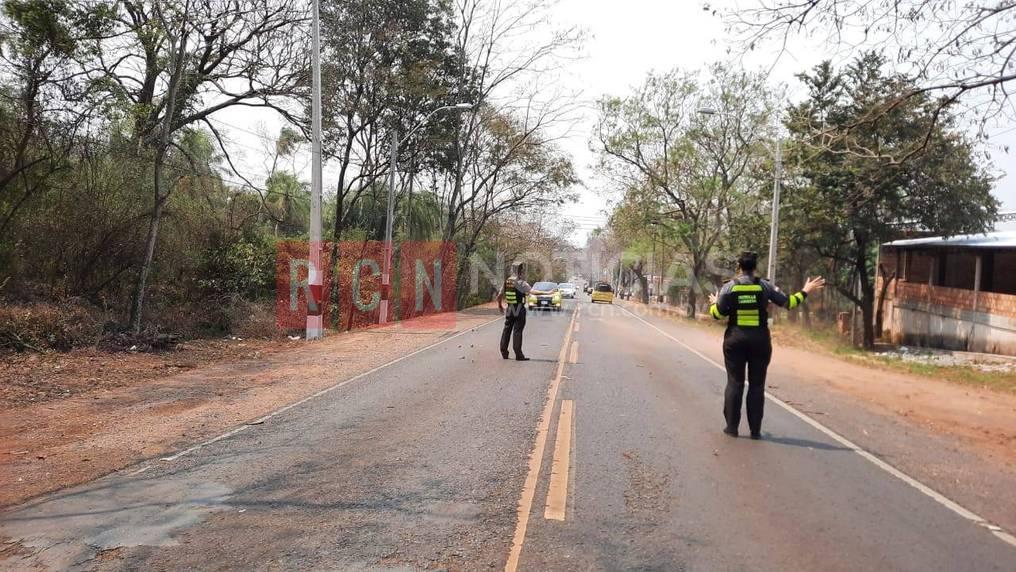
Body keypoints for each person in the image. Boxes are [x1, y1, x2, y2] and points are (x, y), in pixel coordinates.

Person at [708, 252, 825, 439]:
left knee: (735, 383)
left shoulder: (729, 288)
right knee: (756, 386)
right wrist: (806, 290)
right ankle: (755, 431)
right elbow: (789, 303)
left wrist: (714, 302)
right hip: (760, 341)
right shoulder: (765, 286)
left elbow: (717, 314)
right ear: (755, 268)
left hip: (735, 340)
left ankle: (732, 428)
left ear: (739, 268)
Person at [496, 263, 532, 361]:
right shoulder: (522, 283)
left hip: (510, 308)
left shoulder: (507, 282)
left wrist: (500, 305)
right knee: (517, 331)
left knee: (507, 329)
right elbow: (533, 292)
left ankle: (504, 352)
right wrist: (548, 292)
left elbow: (499, 295)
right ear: (521, 271)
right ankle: (518, 354)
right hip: (519, 309)